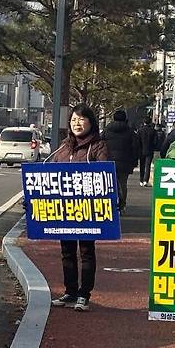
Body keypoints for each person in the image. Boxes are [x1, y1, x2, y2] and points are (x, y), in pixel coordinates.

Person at [49, 104, 109, 312]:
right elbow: (49, 175)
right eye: (74, 119)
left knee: (86, 251)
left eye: (82, 119)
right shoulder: (63, 148)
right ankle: (70, 291)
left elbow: (103, 174)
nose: (77, 123)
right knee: (66, 251)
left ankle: (84, 294)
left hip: (88, 209)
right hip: (64, 209)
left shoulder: (99, 146)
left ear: (91, 122)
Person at [103, 109, 139, 213]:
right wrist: (134, 162)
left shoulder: (107, 131)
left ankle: (111, 205)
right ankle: (122, 205)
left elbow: (101, 145)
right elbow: (135, 147)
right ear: (125, 119)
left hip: (108, 162)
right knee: (123, 184)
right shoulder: (130, 132)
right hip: (125, 162)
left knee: (110, 184)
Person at [137, 117, 156, 187]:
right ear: (150, 122)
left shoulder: (140, 130)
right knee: (148, 166)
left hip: (141, 150)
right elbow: (155, 141)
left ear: (143, 122)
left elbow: (137, 141)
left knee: (142, 165)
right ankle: (145, 180)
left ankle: (141, 180)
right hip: (150, 150)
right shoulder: (153, 131)